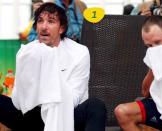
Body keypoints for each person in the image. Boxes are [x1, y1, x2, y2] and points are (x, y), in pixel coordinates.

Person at [0, 2, 106, 131]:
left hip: (68, 115)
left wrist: (47, 81)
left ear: (61, 28)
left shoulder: (79, 52)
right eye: (40, 21)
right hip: (34, 115)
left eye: (51, 21)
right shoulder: (26, 52)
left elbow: (74, 98)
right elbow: (18, 101)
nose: (44, 27)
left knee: (96, 106)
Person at [114, 15, 162, 131]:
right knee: (122, 112)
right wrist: (156, 67)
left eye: (157, 42)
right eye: (149, 46)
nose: (154, 48)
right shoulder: (156, 53)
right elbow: (146, 92)